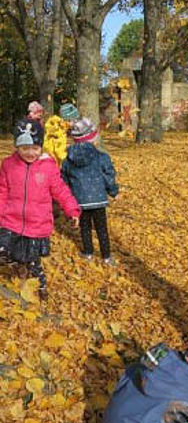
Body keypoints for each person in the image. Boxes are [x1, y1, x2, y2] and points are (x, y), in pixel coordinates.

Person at [0, 120, 80, 300]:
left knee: (33, 261)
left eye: (35, 148)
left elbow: (60, 190)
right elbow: (2, 190)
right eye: (24, 148)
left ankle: (40, 287)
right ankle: (17, 264)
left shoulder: (48, 166)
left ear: (41, 147)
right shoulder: (8, 164)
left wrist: (72, 210)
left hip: (37, 223)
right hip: (10, 220)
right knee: (3, 250)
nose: (30, 153)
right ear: (17, 147)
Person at [60, 118, 119, 265]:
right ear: (93, 140)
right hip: (98, 200)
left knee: (85, 227)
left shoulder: (68, 160)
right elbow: (108, 176)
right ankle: (106, 257)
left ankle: (88, 253)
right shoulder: (101, 157)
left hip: (79, 201)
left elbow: (64, 179)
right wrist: (113, 191)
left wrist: (68, 197)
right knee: (101, 229)